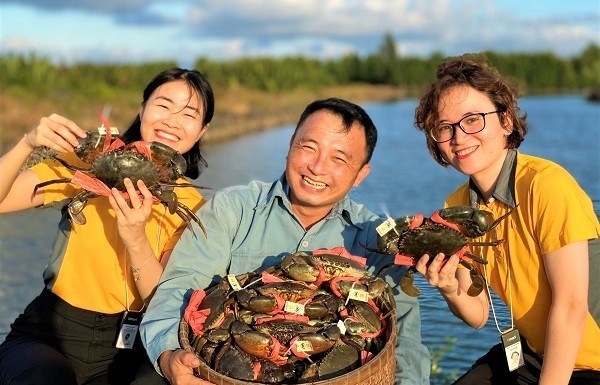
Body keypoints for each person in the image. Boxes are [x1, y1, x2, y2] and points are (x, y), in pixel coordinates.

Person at [140, 97, 431, 384]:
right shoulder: (233, 210)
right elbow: (180, 286)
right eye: (309, 147)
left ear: (360, 175)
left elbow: (404, 338)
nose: (317, 168)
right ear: (290, 148)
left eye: (338, 159)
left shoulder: (377, 239)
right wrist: (168, 356)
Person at [0, 67, 215, 385]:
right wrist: (27, 143)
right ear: (142, 109)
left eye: (188, 113)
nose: (171, 120)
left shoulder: (190, 206)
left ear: (202, 130)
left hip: (133, 343)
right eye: (163, 104)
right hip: (50, 332)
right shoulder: (89, 163)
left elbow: (166, 299)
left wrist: (135, 237)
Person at [413, 55, 600, 385]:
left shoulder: (546, 185)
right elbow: (479, 314)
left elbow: (571, 306)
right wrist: (449, 289)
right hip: (534, 353)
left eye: (473, 120)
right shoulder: (456, 206)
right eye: (444, 127)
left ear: (506, 122)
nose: (458, 137)